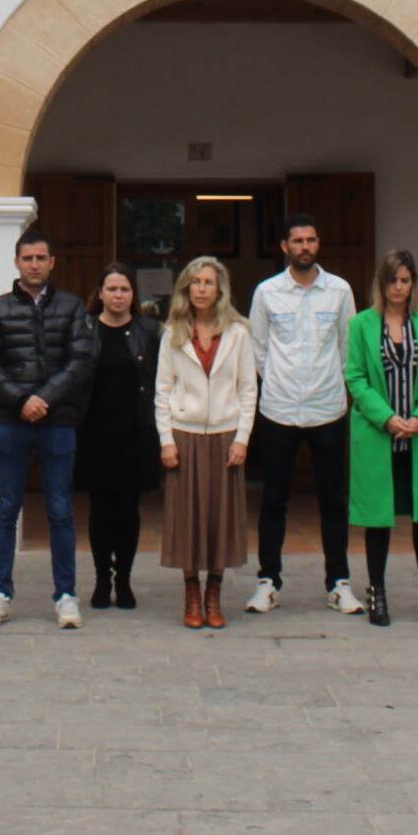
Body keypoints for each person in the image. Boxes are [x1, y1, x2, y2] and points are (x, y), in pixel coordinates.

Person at [0, 227, 94, 630]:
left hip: (58, 421)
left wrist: (45, 398)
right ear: (17, 262)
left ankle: (65, 595)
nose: (35, 264)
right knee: (6, 508)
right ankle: (0, 593)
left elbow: (80, 361)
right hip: (12, 420)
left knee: (60, 509)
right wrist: (23, 400)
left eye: (41, 258)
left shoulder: (74, 308)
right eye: (28, 258)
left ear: (52, 262)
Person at [246, 214, 361, 616]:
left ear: (319, 243)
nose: (305, 247)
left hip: (328, 408)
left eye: (311, 240)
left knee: (333, 498)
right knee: (274, 498)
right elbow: (258, 348)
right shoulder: (267, 292)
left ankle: (339, 583)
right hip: (278, 409)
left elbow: (349, 347)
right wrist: (279, 381)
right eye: (298, 241)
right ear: (284, 246)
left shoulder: (340, 291)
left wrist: (339, 388)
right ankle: (268, 581)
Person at [345, 249, 418, 628]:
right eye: (392, 280)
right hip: (380, 435)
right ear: (381, 283)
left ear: (413, 283)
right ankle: (377, 591)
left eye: (405, 280)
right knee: (378, 518)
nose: (398, 287)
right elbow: (355, 376)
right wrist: (387, 417)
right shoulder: (361, 324)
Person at [155, 255, 257, 630]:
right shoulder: (173, 333)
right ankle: (191, 594)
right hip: (185, 435)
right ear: (186, 288)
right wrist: (166, 440)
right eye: (195, 282)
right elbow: (162, 390)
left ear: (220, 289)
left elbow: (248, 389)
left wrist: (242, 438)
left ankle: (214, 595)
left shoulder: (239, 334)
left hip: (225, 435)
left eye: (208, 283)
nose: (201, 289)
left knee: (220, 517)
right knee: (187, 517)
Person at [79, 265, 162, 611]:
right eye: (111, 288)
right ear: (100, 293)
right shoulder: (84, 330)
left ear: (133, 295)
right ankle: (101, 579)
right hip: (95, 432)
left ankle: (124, 580)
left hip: (136, 432)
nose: (117, 295)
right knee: (100, 512)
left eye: (124, 289)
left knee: (129, 512)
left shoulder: (151, 331)